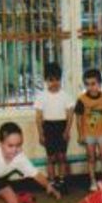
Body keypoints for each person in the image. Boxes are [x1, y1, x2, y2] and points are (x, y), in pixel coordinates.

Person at [35, 62, 74, 194]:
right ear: (46, 81)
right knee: (51, 158)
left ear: (60, 79)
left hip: (62, 127)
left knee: (62, 156)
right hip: (48, 127)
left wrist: (67, 131)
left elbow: (70, 115)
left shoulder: (66, 96)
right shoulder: (41, 97)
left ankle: (62, 181)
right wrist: (41, 134)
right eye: (51, 80)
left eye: (57, 79)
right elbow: (38, 117)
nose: (54, 83)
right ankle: (51, 182)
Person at [75, 69, 102, 191]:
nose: (90, 87)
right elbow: (78, 119)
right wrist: (80, 135)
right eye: (87, 84)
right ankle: (93, 181)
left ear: (99, 83)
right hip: (88, 134)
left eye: (93, 83)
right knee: (91, 158)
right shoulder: (81, 99)